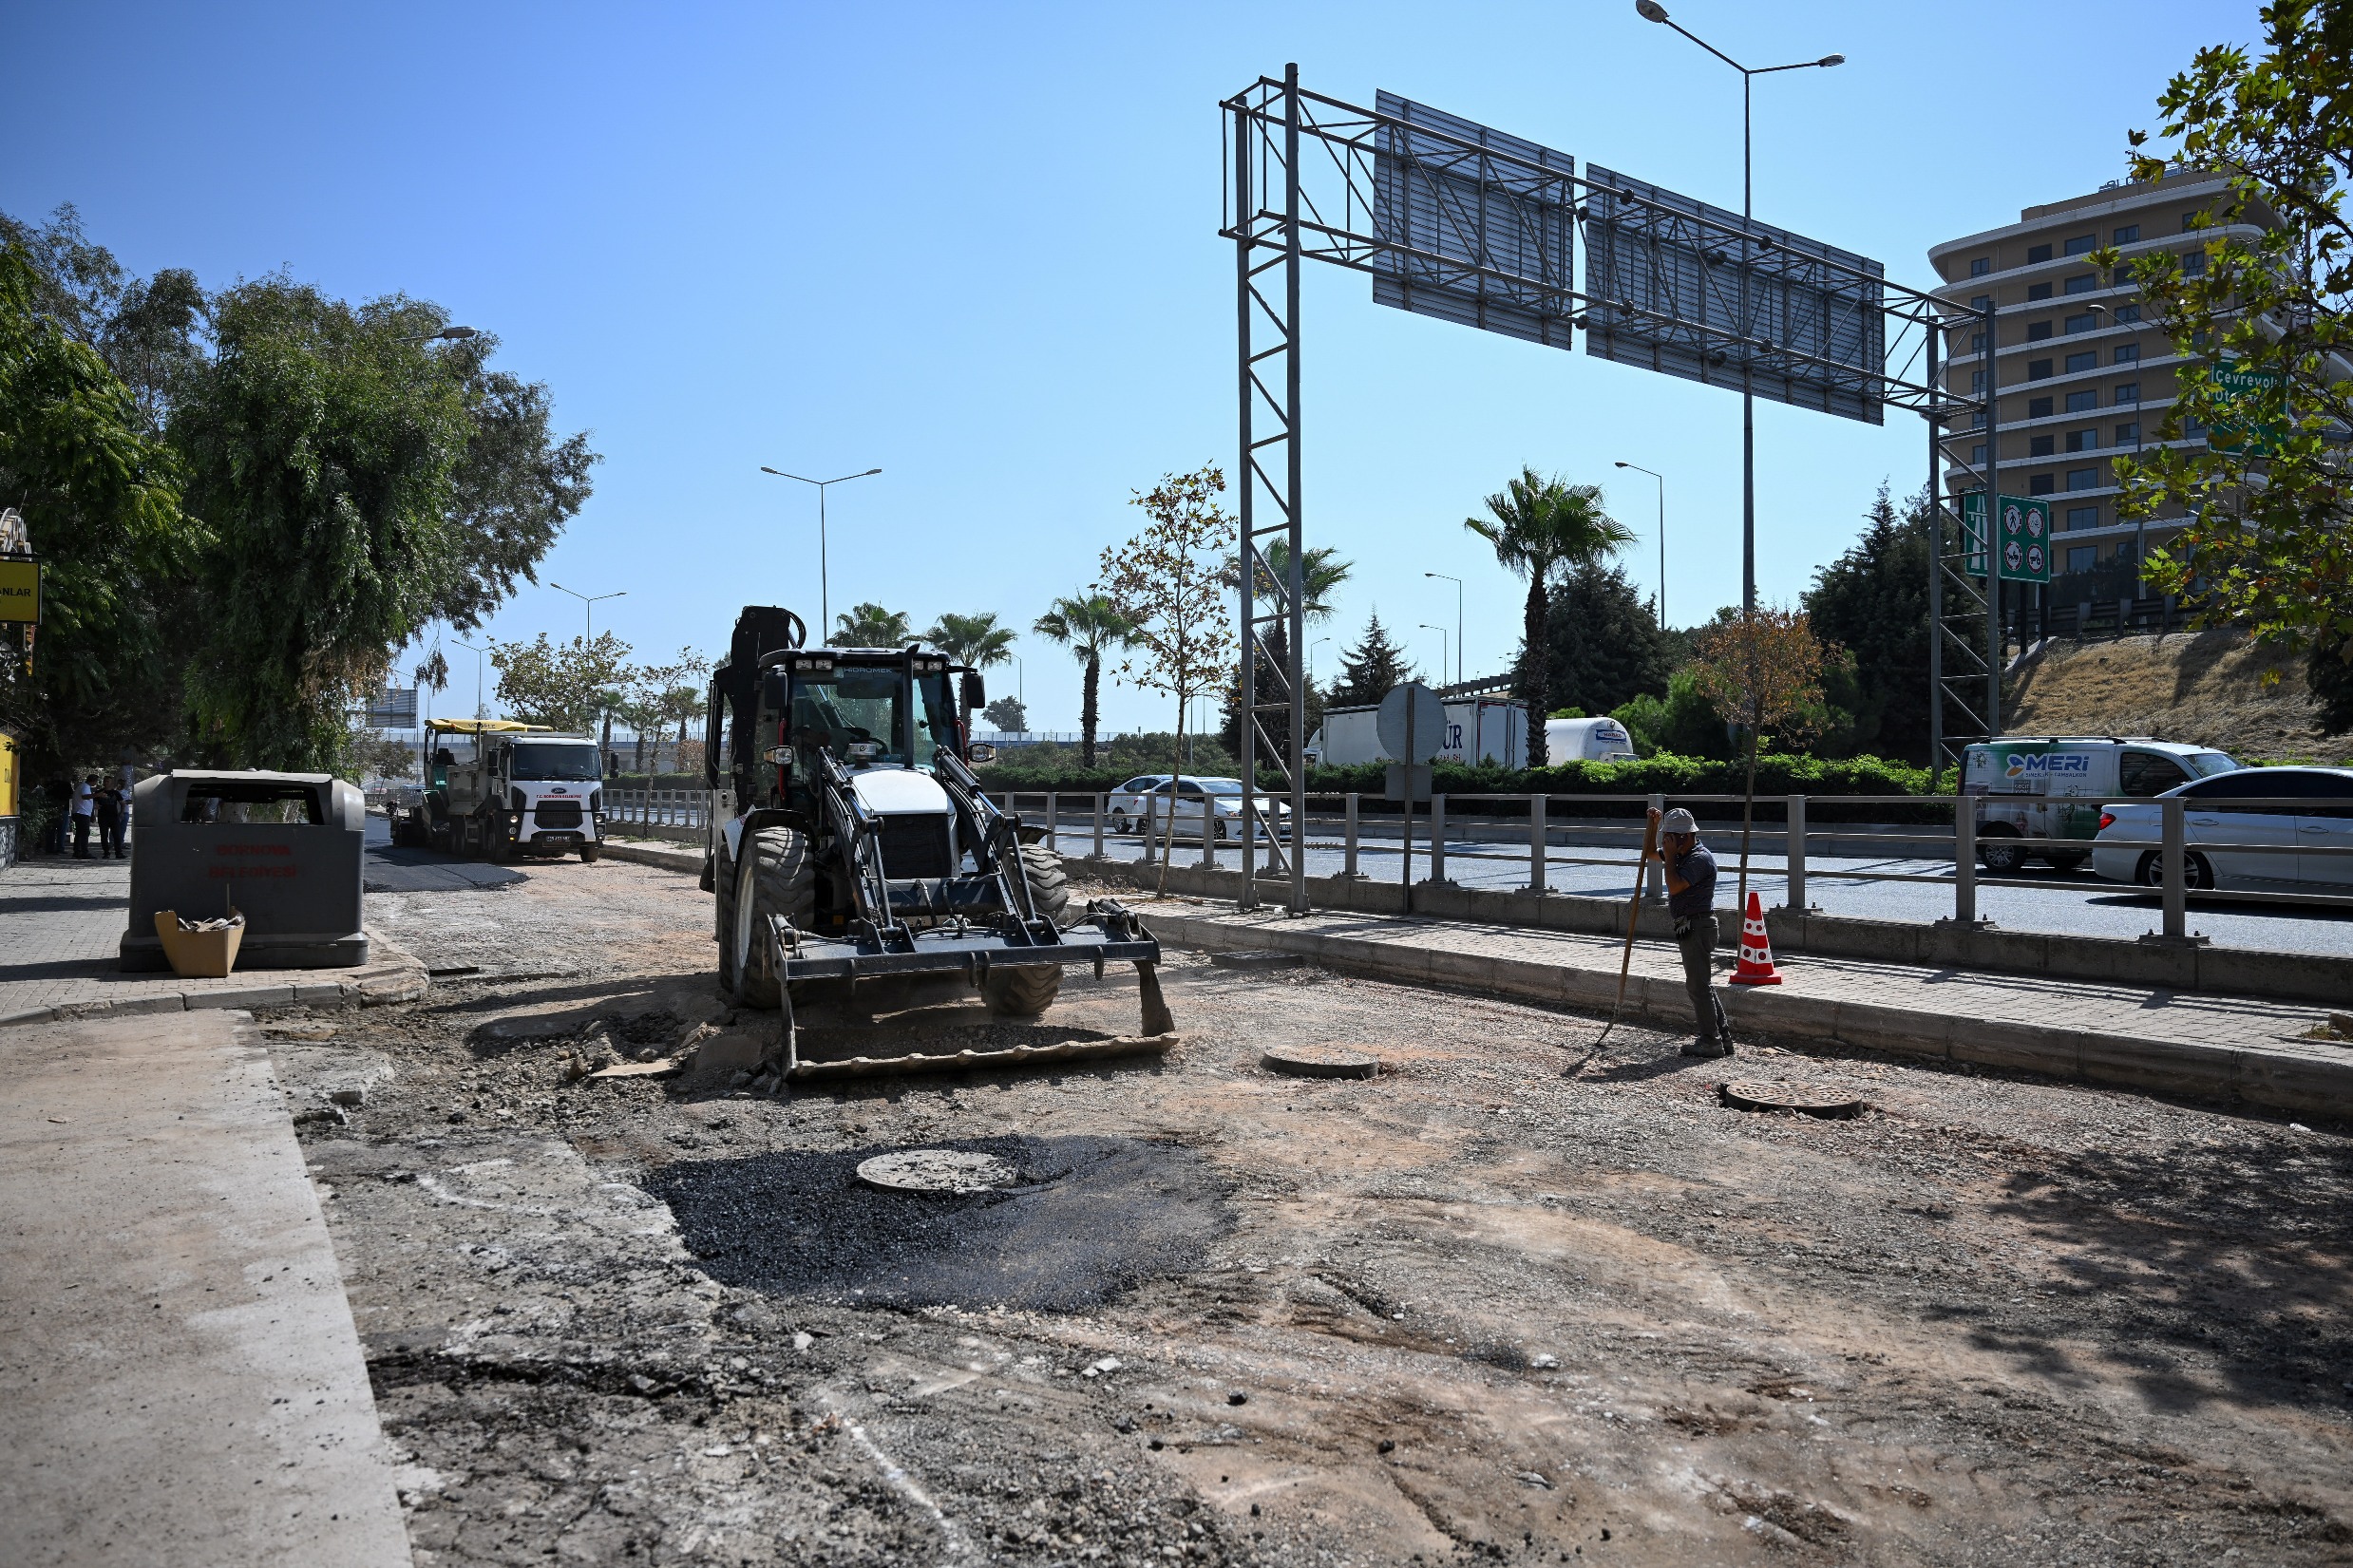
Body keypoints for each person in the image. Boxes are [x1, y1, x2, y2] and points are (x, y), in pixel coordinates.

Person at [1649, 805, 1733, 1057]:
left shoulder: (1698, 858)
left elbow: (1674, 887)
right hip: (1690, 925)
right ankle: (1722, 1038)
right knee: (1702, 984)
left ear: (1684, 836)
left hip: (1698, 926)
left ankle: (1711, 1041)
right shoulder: (1681, 854)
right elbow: (1648, 853)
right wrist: (1653, 825)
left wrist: (1671, 856)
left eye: (1669, 837)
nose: (1666, 842)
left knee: (1698, 986)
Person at [94, 777, 125, 860]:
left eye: (108, 781)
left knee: (117, 836)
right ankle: (106, 853)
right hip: (102, 817)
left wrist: (122, 813)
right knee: (104, 836)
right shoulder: (99, 792)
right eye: (105, 781)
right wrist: (94, 810)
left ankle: (118, 853)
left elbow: (122, 803)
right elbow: (92, 803)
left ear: (111, 783)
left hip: (114, 817)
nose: (106, 783)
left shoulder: (115, 793)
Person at [70, 773, 96, 859]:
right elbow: (85, 797)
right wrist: (97, 795)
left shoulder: (84, 787)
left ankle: (77, 851)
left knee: (80, 833)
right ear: (93, 781)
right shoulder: (85, 787)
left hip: (82, 812)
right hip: (82, 813)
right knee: (84, 833)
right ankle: (84, 852)